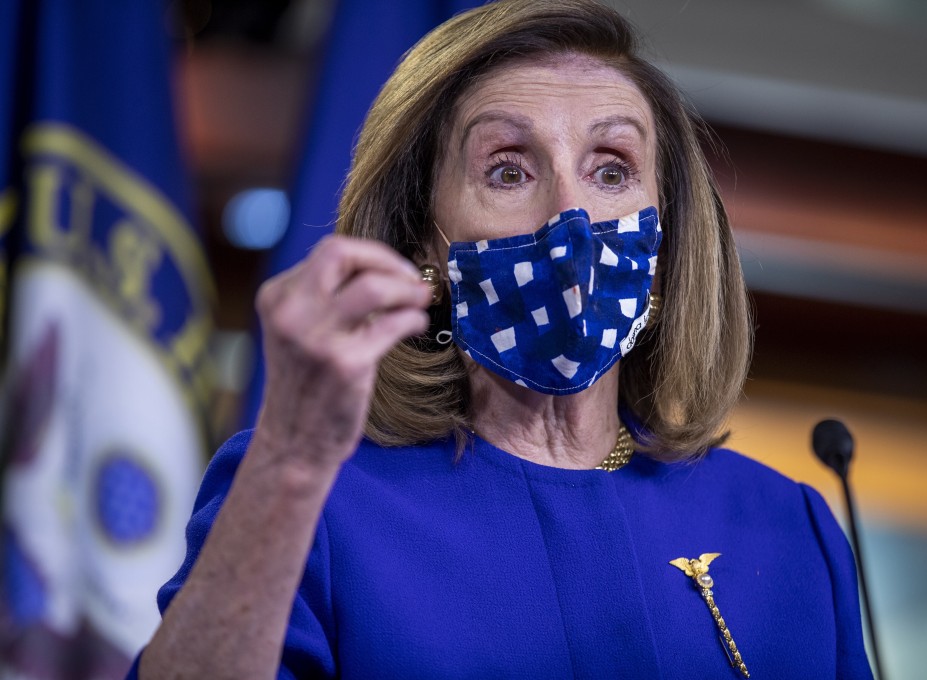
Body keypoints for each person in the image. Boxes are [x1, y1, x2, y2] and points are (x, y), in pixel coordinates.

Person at [134, 1, 873, 678]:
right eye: (509, 170)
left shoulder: (789, 528)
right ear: (426, 242)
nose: (571, 222)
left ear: (668, 236)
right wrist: (290, 464)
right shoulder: (320, 507)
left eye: (612, 170)